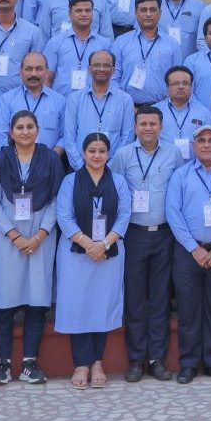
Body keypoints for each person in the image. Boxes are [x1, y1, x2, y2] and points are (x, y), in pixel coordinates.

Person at [0, 111, 59, 386]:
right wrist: (15, 235)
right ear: (11, 132)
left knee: (36, 300)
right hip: (7, 236)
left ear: (38, 130)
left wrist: (39, 235)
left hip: (41, 236)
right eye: (19, 127)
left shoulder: (50, 159)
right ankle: (2, 364)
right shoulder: (0, 160)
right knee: (4, 302)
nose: (25, 131)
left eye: (29, 127)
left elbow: (56, 201)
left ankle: (30, 363)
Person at [55, 133, 130, 389]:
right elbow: (64, 216)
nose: (97, 155)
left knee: (102, 303)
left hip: (109, 252)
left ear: (109, 154)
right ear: (83, 153)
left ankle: (97, 361)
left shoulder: (118, 181)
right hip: (77, 254)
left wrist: (104, 244)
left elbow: (124, 215)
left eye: (101, 151)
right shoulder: (70, 181)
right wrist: (89, 244)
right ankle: (81, 363)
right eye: (92, 151)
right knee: (79, 305)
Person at [112, 105, 179, 381]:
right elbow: (115, 190)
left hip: (164, 233)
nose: (148, 128)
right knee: (136, 298)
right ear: (135, 127)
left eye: (153, 124)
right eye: (143, 124)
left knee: (160, 298)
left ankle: (157, 358)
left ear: (161, 127)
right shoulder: (123, 155)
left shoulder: (173, 153)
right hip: (134, 233)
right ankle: (137, 359)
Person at [167, 124, 211, 383]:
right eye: (201, 140)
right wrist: (193, 248)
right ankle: (188, 363)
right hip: (189, 252)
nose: (207, 144)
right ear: (193, 146)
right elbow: (173, 213)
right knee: (188, 310)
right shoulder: (181, 175)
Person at [0, 52, 67, 160]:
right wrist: (15, 159)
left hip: (49, 163)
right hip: (13, 162)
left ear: (46, 71)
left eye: (39, 69)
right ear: (20, 71)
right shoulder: (6, 100)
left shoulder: (60, 101)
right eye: (28, 69)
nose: (34, 74)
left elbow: (64, 136)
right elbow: (0, 137)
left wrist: (50, 158)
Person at [65, 50, 134, 153]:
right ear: (89, 69)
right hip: (81, 161)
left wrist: (113, 163)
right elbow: (69, 139)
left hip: (114, 162)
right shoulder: (74, 99)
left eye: (106, 65)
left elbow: (127, 138)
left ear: (113, 70)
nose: (101, 69)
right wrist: (80, 163)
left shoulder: (125, 100)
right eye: (96, 65)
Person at [44, 0, 112, 93]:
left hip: (93, 100)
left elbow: (110, 78)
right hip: (62, 100)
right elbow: (47, 78)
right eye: (78, 11)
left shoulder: (104, 44)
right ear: (69, 14)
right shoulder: (55, 43)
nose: (84, 14)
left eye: (88, 10)